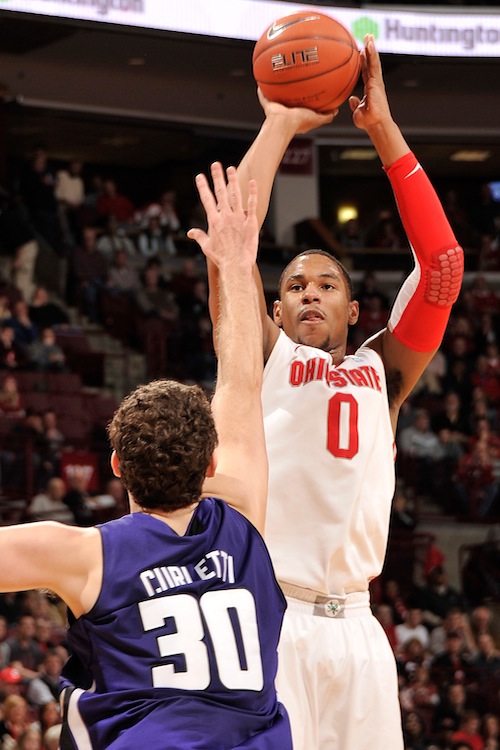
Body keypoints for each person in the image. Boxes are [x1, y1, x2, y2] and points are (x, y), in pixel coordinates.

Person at [204, 35, 464, 750]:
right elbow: (231, 245)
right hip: (271, 618)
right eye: (293, 287)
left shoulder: (384, 373)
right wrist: (280, 123)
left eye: (327, 285)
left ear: (355, 312)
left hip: (357, 628)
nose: (309, 293)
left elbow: (442, 265)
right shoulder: (260, 357)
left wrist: (381, 126)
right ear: (277, 312)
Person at [0, 164, 292, 749]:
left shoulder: (89, 557)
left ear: (115, 466)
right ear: (210, 467)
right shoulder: (244, 519)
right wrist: (237, 262)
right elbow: (241, 378)